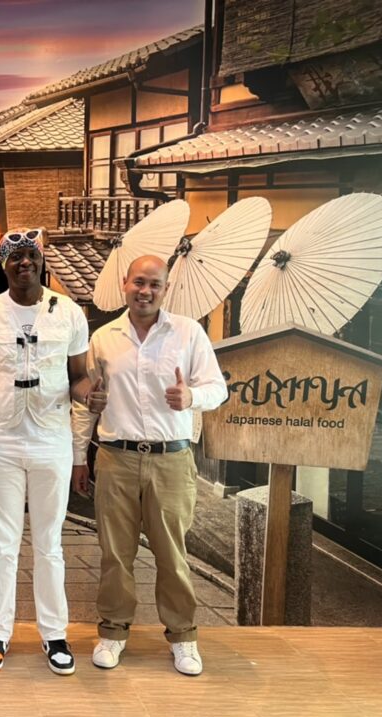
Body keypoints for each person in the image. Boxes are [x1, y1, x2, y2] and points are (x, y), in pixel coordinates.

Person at [73, 254, 227, 676]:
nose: (146, 291)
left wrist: (192, 397)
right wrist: (78, 457)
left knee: (172, 554)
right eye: (139, 282)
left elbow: (218, 388)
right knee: (115, 554)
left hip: (170, 459)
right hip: (115, 456)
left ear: (165, 289)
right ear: (125, 284)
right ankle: (113, 632)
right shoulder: (104, 338)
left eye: (155, 284)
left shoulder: (188, 332)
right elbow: (87, 403)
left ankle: (183, 637)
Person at [0, 228, 102, 676]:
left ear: (42, 261)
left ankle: (54, 633)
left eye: (31, 255)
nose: (24, 262)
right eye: (15, 257)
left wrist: (89, 395)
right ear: (3, 266)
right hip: (1, 439)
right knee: (3, 545)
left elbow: (78, 377)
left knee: (50, 544)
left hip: (50, 439)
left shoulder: (69, 313)